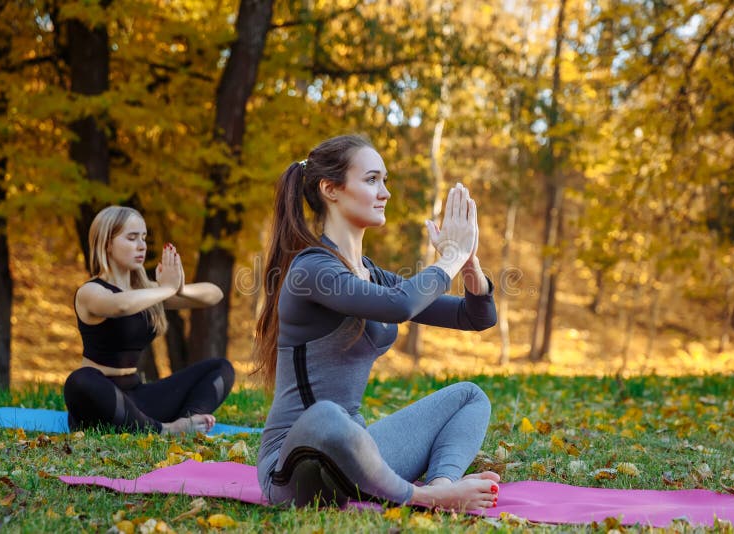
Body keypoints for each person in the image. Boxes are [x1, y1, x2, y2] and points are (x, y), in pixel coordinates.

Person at [254, 134, 500, 511]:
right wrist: (448, 258)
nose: (385, 192)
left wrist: (468, 267)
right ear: (331, 189)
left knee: (469, 396)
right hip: (294, 466)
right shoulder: (311, 269)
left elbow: (475, 317)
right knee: (326, 414)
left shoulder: (371, 274)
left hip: (356, 451)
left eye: (384, 181)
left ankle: (444, 484)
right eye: (371, 180)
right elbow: (400, 306)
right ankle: (426, 497)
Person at [64, 206, 235, 435]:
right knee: (79, 380)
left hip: (137, 399)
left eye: (144, 238)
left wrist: (180, 288)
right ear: (107, 243)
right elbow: (121, 305)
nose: (142, 245)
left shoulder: (148, 292)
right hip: (98, 403)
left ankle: (190, 423)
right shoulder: (90, 292)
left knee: (220, 367)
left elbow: (214, 294)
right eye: (132, 238)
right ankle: (164, 430)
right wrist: (166, 289)